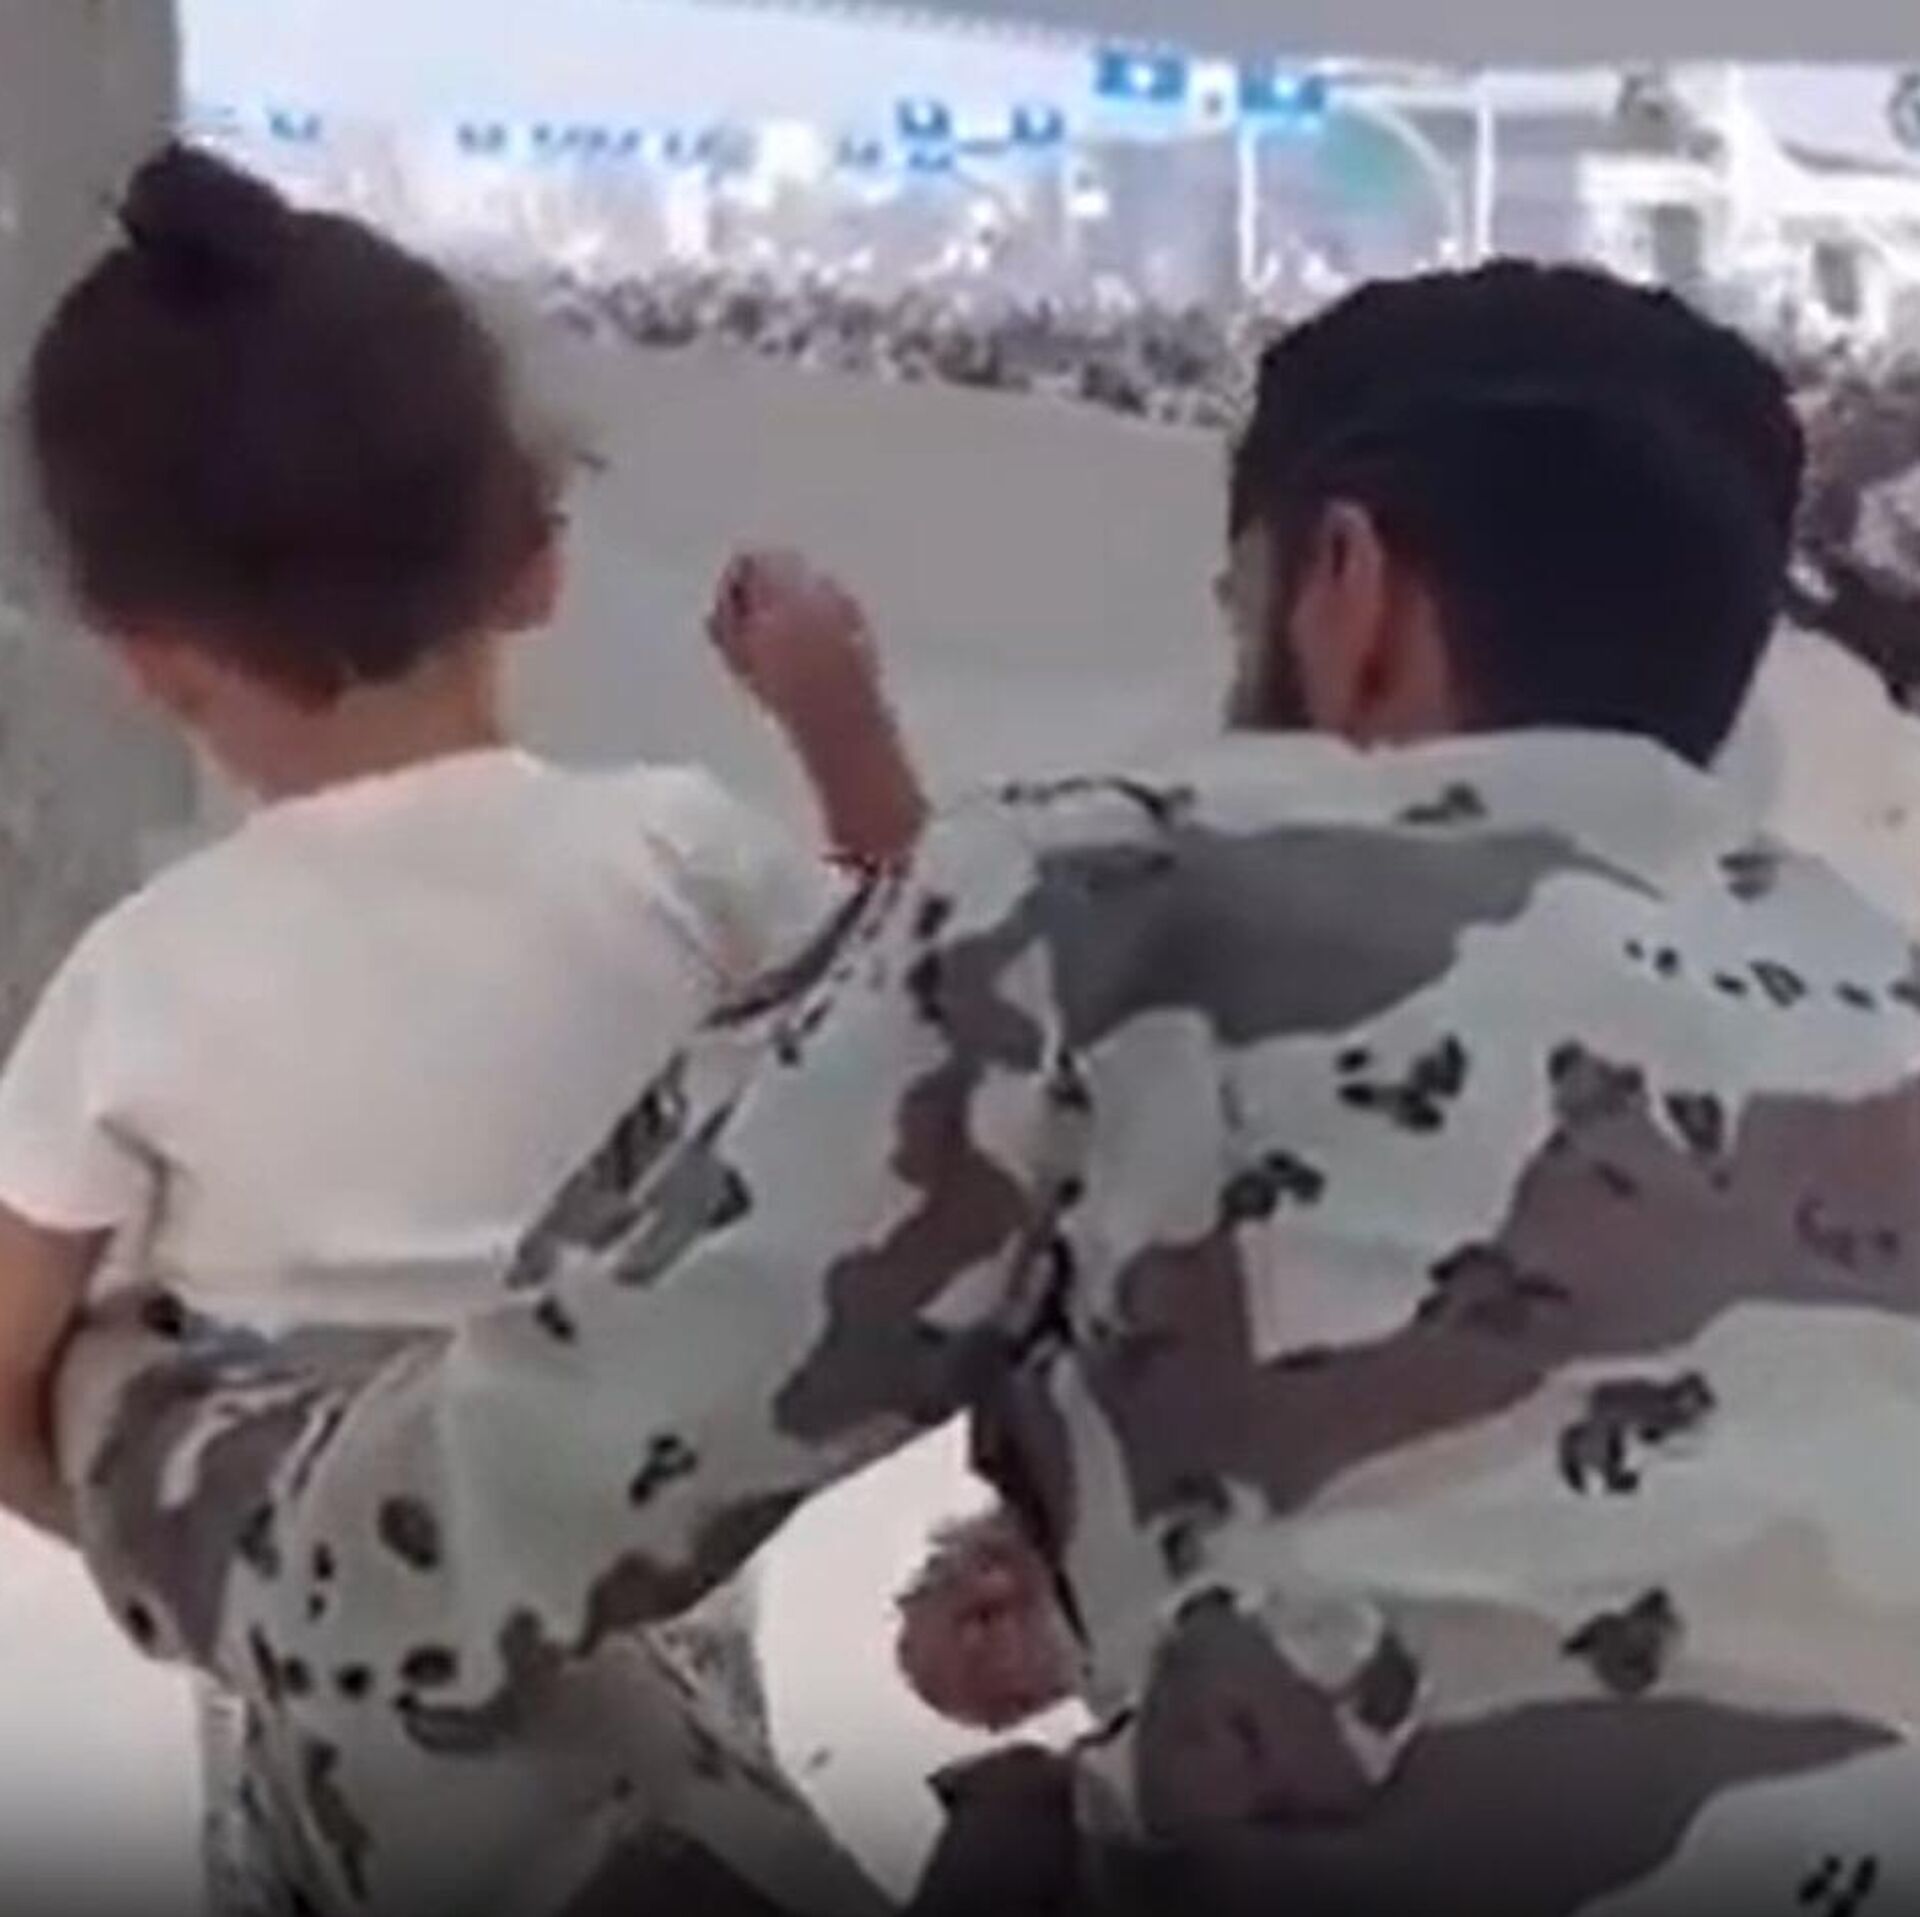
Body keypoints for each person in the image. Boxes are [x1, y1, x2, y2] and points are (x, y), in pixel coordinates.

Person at [61, 260, 1920, 1916]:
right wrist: (1098, 1580)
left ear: (1348, 588)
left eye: (1239, 606)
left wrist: (110, 1415)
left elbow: (447, 1541)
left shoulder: (1114, 890)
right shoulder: (1881, 984)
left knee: (393, 1696)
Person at [0, 146, 918, 1915]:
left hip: (323, 1751)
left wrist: (186, 1561)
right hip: (664, 1688)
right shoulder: (682, 861)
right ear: (534, 561)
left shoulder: (139, 982)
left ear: (148, 655)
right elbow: (934, 1003)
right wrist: (841, 721)